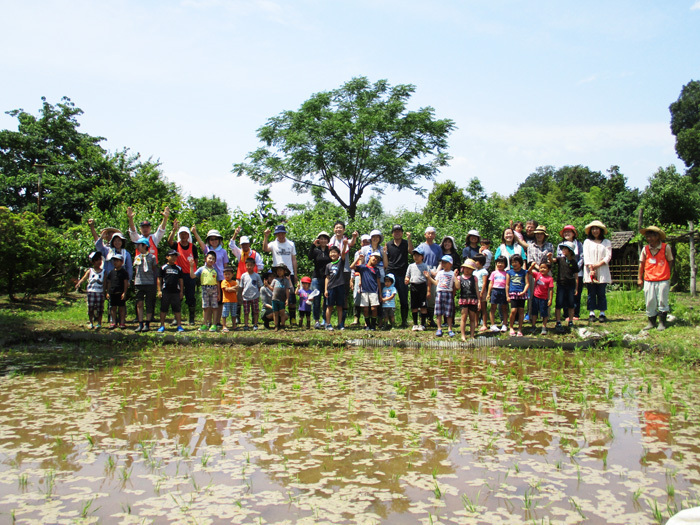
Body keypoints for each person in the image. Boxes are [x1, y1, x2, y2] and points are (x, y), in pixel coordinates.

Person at [638, 226, 674, 331]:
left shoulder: (665, 247)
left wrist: (667, 272)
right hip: (649, 279)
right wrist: (639, 278)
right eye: (647, 237)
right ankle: (651, 322)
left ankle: (662, 322)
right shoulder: (645, 249)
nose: (649, 239)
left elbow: (670, 261)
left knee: (662, 300)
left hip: (663, 278)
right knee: (650, 301)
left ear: (657, 236)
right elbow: (642, 264)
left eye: (651, 236)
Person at [193, 227, 229, 327]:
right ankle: (208, 322)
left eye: (216, 239)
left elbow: (225, 266)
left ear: (219, 240)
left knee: (219, 301)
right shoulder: (207, 250)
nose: (214, 241)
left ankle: (217, 321)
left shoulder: (223, 251)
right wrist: (195, 232)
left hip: (220, 278)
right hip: (209, 278)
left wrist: (226, 279)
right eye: (211, 239)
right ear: (209, 240)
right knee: (208, 303)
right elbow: (200, 242)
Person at [263, 225, 298, 326]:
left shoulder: (291, 244)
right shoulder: (273, 244)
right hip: (276, 274)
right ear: (276, 234)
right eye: (278, 234)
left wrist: (295, 274)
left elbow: (294, 259)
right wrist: (265, 237)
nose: (281, 235)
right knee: (276, 295)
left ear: (285, 233)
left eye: (282, 233)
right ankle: (276, 319)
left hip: (289, 272)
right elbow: (265, 249)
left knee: (291, 295)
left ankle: (293, 318)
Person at [168, 220, 199, 325]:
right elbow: (169, 242)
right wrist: (174, 229)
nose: (184, 236)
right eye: (181, 234)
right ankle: (176, 318)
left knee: (191, 296)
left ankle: (191, 318)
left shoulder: (193, 247)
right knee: (177, 296)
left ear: (188, 235)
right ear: (179, 235)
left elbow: (196, 260)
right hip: (178, 275)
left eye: (185, 234)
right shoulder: (176, 246)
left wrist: (194, 273)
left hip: (190, 275)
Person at [583, 220, 612, 323]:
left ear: (601, 230)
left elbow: (608, 256)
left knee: (601, 292)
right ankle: (591, 312)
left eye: (597, 229)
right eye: (593, 229)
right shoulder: (587, 242)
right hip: (589, 270)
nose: (595, 231)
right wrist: (591, 268)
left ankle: (602, 313)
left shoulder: (607, 242)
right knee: (591, 292)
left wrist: (598, 265)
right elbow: (586, 256)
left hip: (602, 269)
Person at [329, 221, 358, 325]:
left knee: (344, 295)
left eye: (340, 228)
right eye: (336, 228)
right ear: (334, 230)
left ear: (344, 230)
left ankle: (342, 321)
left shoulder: (346, 240)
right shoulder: (330, 241)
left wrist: (354, 237)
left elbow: (352, 243)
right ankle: (327, 320)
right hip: (333, 271)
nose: (338, 229)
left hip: (345, 271)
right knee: (331, 295)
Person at [385, 225, 413, 328]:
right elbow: (386, 259)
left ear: (402, 233)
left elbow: (411, 251)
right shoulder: (388, 244)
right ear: (392, 233)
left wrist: (409, 239)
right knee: (387, 298)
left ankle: (404, 321)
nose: (397, 233)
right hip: (391, 273)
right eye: (395, 231)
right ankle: (388, 321)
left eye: (399, 231)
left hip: (403, 273)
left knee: (404, 299)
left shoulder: (406, 243)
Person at [426, 255, 457, 337]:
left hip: (448, 293)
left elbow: (456, 286)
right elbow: (436, 283)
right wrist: (429, 277)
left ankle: (450, 329)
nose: (443, 264)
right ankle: (439, 328)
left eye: (445, 262)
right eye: (442, 262)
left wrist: (456, 277)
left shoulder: (452, 273)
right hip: (439, 292)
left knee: (449, 313)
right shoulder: (440, 273)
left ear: (450, 264)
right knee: (438, 312)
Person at [350, 251, 382, 331]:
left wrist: (380, 293)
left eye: (377, 259)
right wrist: (358, 258)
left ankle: (373, 325)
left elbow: (378, 282)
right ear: (370, 257)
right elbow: (352, 266)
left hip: (374, 291)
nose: (375, 259)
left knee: (374, 308)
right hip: (364, 291)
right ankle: (367, 324)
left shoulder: (376, 270)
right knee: (365, 309)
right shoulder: (363, 267)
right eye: (374, 257)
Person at [417, 226, 443, 327]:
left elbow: (441, 261)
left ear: (434, 235)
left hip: (434, 274)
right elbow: (416, 257)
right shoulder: (421, 246)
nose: (430, 235)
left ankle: (430, 319)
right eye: (429, 233)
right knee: (422, 297)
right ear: (425, 235)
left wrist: (437, 271)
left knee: (432, 297)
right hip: (422, 274)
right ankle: (421, 320)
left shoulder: (437, 247)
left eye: (432, 233)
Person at [558, 225, 584, 320]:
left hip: (577, 272)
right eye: (565, 232)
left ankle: (575, 314)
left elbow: (582, 257)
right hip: (564, 274)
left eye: (569, 231)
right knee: (565, 294)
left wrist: (575, 267)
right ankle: (566, 314)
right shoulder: (560, 245)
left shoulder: (579, 244)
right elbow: (559, 258)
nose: (567, 233)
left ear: (574, 233)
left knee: (576, 293)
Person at [133, 237, 158, 332]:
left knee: (149, 303)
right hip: (139, 282)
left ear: (144, 246)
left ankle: (147, 323)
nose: (137, 247)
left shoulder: (152, 257)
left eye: (139, 245)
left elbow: (154, 269)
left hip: (150, 283)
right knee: (139, 303)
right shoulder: (137, 257)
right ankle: (140, 323)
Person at [553, 241, 579, 333]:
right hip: (561, 284)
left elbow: (576, 276)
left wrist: (576, 287)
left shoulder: (574, 262)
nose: (563, 250)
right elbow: (553, 260)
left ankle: (571, 320)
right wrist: (549, 257)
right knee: (558, 303)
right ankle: (558, 321)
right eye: (563, 248)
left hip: (571, 285)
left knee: (571, 303)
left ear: (570, 251)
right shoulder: (560, 259)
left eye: (565, 249)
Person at [75, 251, 105, 329]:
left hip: (100, 292)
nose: (99, 262)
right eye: (97, 260)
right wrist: (79, 283)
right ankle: (91, 322)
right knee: (90, 307)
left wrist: (105, 292)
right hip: (91, 292)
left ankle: (99, 323)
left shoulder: (103, 272)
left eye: (100, 260)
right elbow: (84, 278)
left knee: (100, 308)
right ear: (93, 261)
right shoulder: (90, 271)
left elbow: (105, 283)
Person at [191, 251, 220, 332]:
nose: (211, 260)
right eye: (210, 258)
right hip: (205, 288)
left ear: (215, 261)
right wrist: (191, 266)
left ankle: (214, 324)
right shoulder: (201, 269)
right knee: (205, 307)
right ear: (205, 259)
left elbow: (217, 283)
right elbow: (192, 276)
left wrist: (219, 293)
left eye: (213, 259)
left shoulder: (215, 270)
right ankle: (204, 324)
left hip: (214, 289)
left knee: (214, 307)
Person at [157, 250, 185, 333]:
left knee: (177, 309)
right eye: (172, 256)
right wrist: (159, 291)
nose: (173, 257)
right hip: (165, 291)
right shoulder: (163, 267)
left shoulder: (178, 268)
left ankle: (179, 325)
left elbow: (181, 281)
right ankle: (162, 325)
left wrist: (181, 292)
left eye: (175, 256)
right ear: (167, 257)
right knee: (163, 309)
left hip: (176, 292)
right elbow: (159, 279)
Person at [308, 231, 332, 329]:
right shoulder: (316, 250)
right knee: (316, 300)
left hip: (327, 278)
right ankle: (316, 321)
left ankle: (325, 320)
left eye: (325, 238)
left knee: (326, 300)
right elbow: (309, 257)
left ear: (328, 240)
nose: (323, 240)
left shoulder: (330, 250)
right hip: (316, 278)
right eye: (321, 238)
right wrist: (313, 245)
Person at [325, 240, 349, 331]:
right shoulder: (328, 265)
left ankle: (340, 324)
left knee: (339, 306)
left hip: (340, 286)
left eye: (335, 252)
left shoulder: (340, 263)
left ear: (338, 254)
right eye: (331, 253)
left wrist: (345, 244)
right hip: (331, 287)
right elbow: (327, 277)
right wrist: (325, 289)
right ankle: (328, 324)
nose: (333, 254)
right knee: (329, 306)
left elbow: (343, 254)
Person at [406, 246, 430, 331]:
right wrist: (407, 279)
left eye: (418, 255)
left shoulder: (425, 266)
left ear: (422, 257)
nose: (416, 257)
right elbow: (407, 275)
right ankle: (415, 324)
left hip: (422, 286)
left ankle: (422, 324)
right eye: (414, 255)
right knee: (414, 306)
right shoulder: (411, 266)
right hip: (413, 286)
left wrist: (428, 290)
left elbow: (428, 279)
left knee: (423, 306)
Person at [528, 260, 554, 335]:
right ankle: (533, 326)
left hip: (544, 298)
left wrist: (550, 299)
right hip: (535, 297)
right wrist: (532, 266)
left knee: (544, 314)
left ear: (548, 270)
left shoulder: (550, 279)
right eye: (541, 267)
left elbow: (551, 290)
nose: (542, 269)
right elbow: (529, 272)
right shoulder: (537, 275)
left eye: (544, 268)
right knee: (534, 312)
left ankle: (544, 327)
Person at [506, 254, 529, 336]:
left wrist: (524, 291)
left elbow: (527, 283)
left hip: (521, 293)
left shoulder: (524, 272)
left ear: (520, 263)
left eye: (516, 262)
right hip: (513, 293)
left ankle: (520, 329)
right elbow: (507, 284)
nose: (514, 264)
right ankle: (511, 327)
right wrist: (507, 295)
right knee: (513, 310)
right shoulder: (509, 272)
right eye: (512, 262)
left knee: (521, 311)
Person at [238, 257, 264, 330]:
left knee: (255, 311)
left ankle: (255, 324)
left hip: (255, 296)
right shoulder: (243, 276)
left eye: (251, 265)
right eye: (248, 265)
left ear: (254, 266)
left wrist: (259, 295)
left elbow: (260, 286)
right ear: (245, 266)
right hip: (245, 296)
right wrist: (241, 295)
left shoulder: (257, 276)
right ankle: (246, 324)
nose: (249, 267)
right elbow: (241, 286)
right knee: (246, 312)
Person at [458, 259, 480, 341]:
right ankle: (463, 335)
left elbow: (477, 290)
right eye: (466, 268)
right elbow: (457, 287)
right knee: (463, 317)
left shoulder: (474, 278)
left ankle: (472, 335)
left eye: (470, 268)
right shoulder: (460, 278)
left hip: (473, 299)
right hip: (464, 299)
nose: (467, 270)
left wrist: (479, 301)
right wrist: (456, 277)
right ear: (463, 268)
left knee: (472, 318)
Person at [106, 254, 129, 329]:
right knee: (113, 308)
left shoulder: (124, 272)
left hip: (120, 292)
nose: (115, 262)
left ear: (122, 262)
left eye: (117, 261)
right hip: (112, 292)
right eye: (114, 261)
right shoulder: (111, 272)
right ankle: (113, 322)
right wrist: (108, 292)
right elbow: (109, 283)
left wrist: (124, 292)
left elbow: (125, 282)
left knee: (121, 308)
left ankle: (122, 322)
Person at [488, 256, 509, 332]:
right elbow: (491, 283)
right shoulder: (494, 273)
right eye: (498, 262)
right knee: (493, 308)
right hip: (495, 291)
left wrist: (507, 295)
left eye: (502, 262)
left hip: (503, 291)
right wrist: (488, 293)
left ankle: (504, 324)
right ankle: (493, 325)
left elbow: (507, 284)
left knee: (504, 308)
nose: (500, 264)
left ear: (505, 264)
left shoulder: (507, 273)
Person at [270, 263, 293, 331]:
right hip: (274, 298)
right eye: (278, 270)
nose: (279, 272)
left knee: (282, 312)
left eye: (281, 270)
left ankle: (283, 325)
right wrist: (267, 286)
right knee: (275, 312)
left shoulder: (286, 280)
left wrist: (287, 299)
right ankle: (276, 325)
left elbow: (287, 290)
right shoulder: (275, 280)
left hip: (282, 299)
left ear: (284, 271)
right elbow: (272, 288)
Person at [472, 254, 489, 332]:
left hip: (481, 290)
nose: (475, 262)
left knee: (483, 308)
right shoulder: (474, 271)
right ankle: (476, 323)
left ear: (481, 262)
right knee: (476, 308)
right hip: (475, 291)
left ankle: (484, 324)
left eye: (476, 261)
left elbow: (484, 282)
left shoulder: (484, 271)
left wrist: (482, 292)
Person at [220, 265, 238, 332]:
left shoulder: (234, 282)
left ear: (232, 274)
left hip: (234, 300)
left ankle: (234, 325)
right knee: (224, 314)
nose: (227, 276)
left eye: (229, 274)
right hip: (226, 300)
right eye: (225, 274)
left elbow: (237, 289)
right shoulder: (224, 282)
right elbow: (227, 289)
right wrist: (232, 288)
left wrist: (231, 289)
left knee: (234, 314)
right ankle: (224, 326)